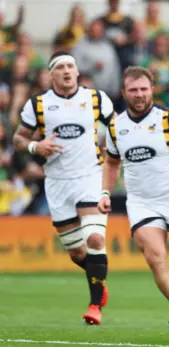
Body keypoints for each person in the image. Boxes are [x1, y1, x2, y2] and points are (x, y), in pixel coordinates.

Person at [13, 52, 113, 324]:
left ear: (77, 72)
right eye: (60, 67)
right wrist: (37, 146)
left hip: (90, 177)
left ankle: (94, 306)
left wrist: (111, 152)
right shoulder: (38, 104)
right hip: (57, 182)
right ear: (51, 74)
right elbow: (19, 139)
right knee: (77, 253)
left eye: (71, 66)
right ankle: (98, 279)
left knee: (95, 239)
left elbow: (117, 128)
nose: (67, 71)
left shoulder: (96, 99)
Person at [97, 66, 169, 317]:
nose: (139, 94)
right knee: (154, 256)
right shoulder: (115, 127)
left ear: (152, 90)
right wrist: (104, 193)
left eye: (144, 89)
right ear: (124, 93)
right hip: (141, 202)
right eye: (133, 90)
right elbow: (112, 163)